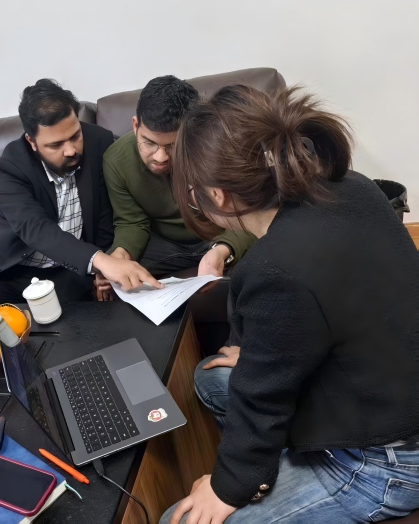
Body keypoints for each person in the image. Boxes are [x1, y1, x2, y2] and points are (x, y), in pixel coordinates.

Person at [161, 85, 419, 523]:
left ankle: (281, 474)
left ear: (217, 195)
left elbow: (263, 399)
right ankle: (278, 467)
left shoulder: (275, 270)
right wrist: (262, 353)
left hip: (388, 462)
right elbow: (326, 313)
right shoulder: (353, 187)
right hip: (387, 390)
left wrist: (228, 486)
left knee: (179, 520)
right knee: (212, 379)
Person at [0, 79, 161, 303]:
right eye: (56, 145)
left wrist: (104, 263)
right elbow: (35, 228)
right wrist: (100, 261)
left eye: (75, 136)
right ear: (32, 141)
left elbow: (106, 217)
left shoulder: (100, 142)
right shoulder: (10, 169)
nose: (70, 150)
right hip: (13, 271)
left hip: (69, 272)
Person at [95, 76, 255, 300]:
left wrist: (222, 250)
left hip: (219, 232)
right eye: (149, 143)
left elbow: (248, 212)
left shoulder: (215, 147)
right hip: (164, 245)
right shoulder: (116, 160)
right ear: (135, 125)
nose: (160, 157)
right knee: (118, 282)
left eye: (172, 146)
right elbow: (131, 222)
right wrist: (120, 255)